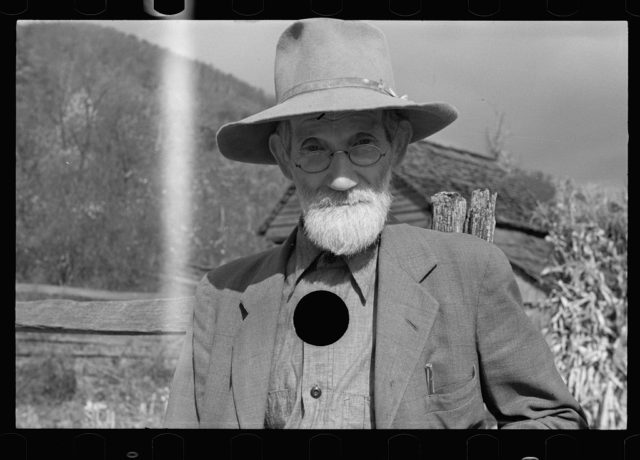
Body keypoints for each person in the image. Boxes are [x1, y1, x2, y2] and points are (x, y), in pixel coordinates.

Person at [164, 18, 588, 429]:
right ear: (282, 157)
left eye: (363, 144)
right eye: (314, 149)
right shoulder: (222, 297)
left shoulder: (469, 274)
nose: (342, 177)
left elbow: (553, 419)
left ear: (397, 145)